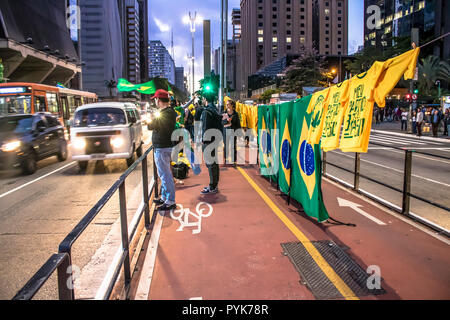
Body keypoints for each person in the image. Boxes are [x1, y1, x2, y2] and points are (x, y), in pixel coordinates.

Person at [147, 89, 177, 211]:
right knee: (163, 174)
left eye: (155, 99)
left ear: (159, 100)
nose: (155, 101)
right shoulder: (169, 112)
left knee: (165, 175)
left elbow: (150, 125)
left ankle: (170, 201)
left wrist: (152, 118)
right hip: (165, 146)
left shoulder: (164, 113)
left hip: (162, 147)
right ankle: (165, 197)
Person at [200, 94, 223, 194]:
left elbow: (205, 127)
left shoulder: (206, 112)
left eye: (202, 98)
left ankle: (212, 186)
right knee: (214, 163)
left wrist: (204, 140)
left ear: (205, 99)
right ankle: (214, 184)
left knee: (210, 164)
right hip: (215, 138)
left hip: (208, 140)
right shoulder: (215, 109)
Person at [223, 99, 241, 165]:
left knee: (233, 146)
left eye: (228, 104)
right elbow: (222, 122)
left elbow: (238, 124)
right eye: (226, 104)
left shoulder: (235, 114)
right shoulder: (224, 113)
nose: (227, 105)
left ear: (232, 105)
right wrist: (227, 121)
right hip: (226, 131)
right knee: (226, 146)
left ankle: (234, 161)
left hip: (233, 131)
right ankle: (226, 159)